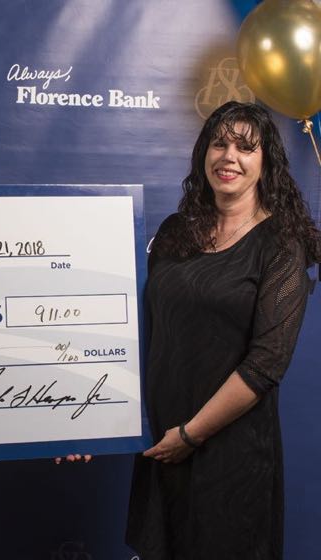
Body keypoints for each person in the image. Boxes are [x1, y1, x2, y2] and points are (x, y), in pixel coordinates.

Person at [126, 101, 321, 559]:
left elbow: (266, 364)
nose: (228, 156)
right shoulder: (176, 232)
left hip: (229, 456)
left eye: (245, 147)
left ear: (265, 163)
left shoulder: (280, 245)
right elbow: (141, 337)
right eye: (219, 143)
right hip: (162, 447)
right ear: (203, 155)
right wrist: (89, 423)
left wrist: (190, 435)